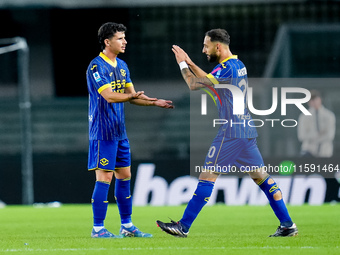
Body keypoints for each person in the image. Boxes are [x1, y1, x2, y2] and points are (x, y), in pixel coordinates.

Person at [156, 28, 298, 237]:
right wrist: (191, 62)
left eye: (206, 46)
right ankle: (287, 224)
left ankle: (183, 226)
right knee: (263, 178)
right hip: (246, 130)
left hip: (231, 131)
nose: (204, 50)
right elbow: (211, 81)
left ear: (218, 46)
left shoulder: (227, 69)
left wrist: (182, 64)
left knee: (207, 176)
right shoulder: (237, 65)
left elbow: (194, 84)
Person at [87, 22, 173, 238]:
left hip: (119, 132)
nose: (125, 42)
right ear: (107, 42)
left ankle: (127, 226)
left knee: (124, 176)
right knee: (104, 178)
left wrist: (154, 102)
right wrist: (131, 96)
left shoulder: (123, 66)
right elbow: (109, 96)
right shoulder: (96, 67)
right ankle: (98, 228)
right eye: (120, 38)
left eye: (125, 38)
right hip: (103, 132)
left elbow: (132, 96)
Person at [298, 90, 335, 157]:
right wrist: (319, 134)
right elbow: (302, 136)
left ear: (320, 99)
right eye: (311, 100)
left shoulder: (329, 115)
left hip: (325, 151)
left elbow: (330, 135)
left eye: (315, 99)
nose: (313, 102)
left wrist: (312, 136)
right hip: (308, 150)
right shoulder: (304, 117)